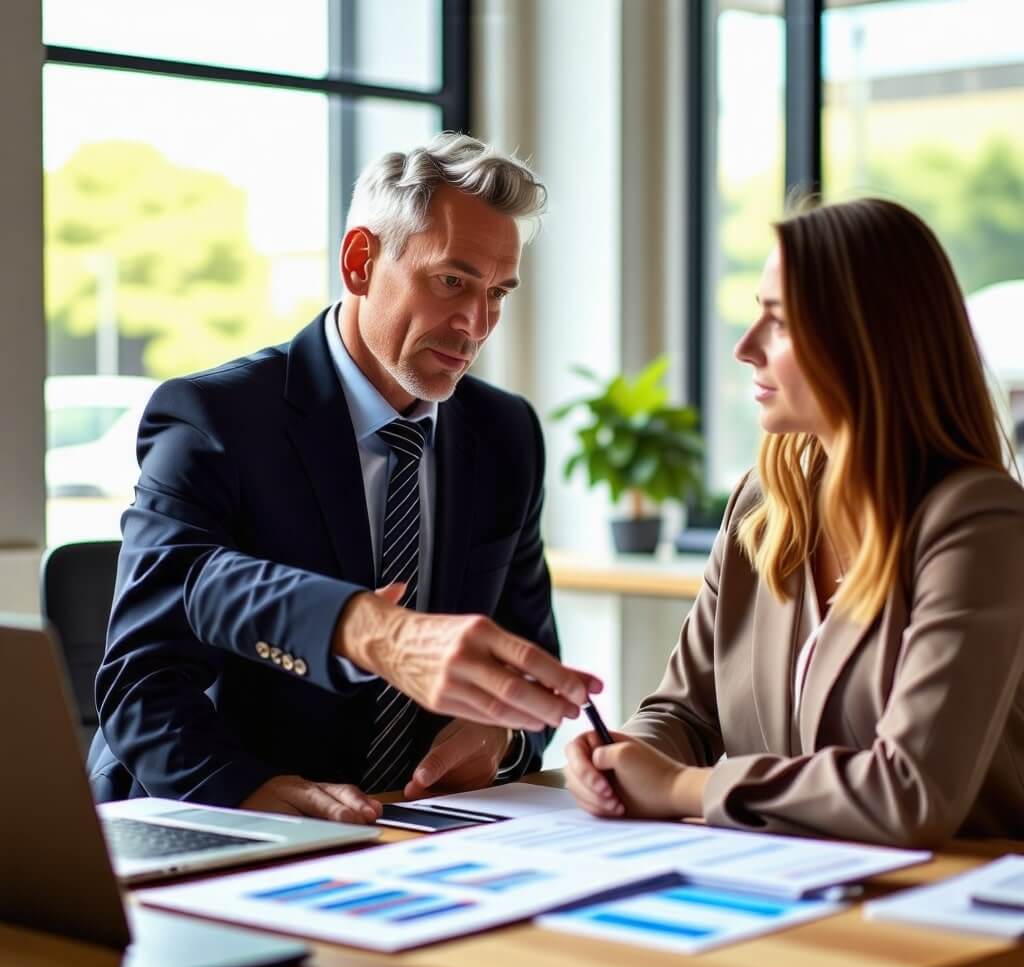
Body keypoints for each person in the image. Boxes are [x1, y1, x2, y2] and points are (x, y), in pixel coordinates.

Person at [88, 132, 601, 823]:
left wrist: (502, 732)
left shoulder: (504, 433)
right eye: (451, 281)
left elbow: (529, 654)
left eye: (497, 293)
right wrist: (249, 794)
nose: (475, 325)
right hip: (212, 816)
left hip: (414, 828)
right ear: (361, 261)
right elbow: (142, 681)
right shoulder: (216, 417)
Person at [565, 197, 1024, 847]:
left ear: (868, 342)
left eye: (778, 324)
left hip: (953, 913)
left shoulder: (978, 522)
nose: (745, 348)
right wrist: (617, 760)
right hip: (791, 895)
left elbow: (910, 793)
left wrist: (676, 789)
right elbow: (684, 713)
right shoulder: (763, 504)